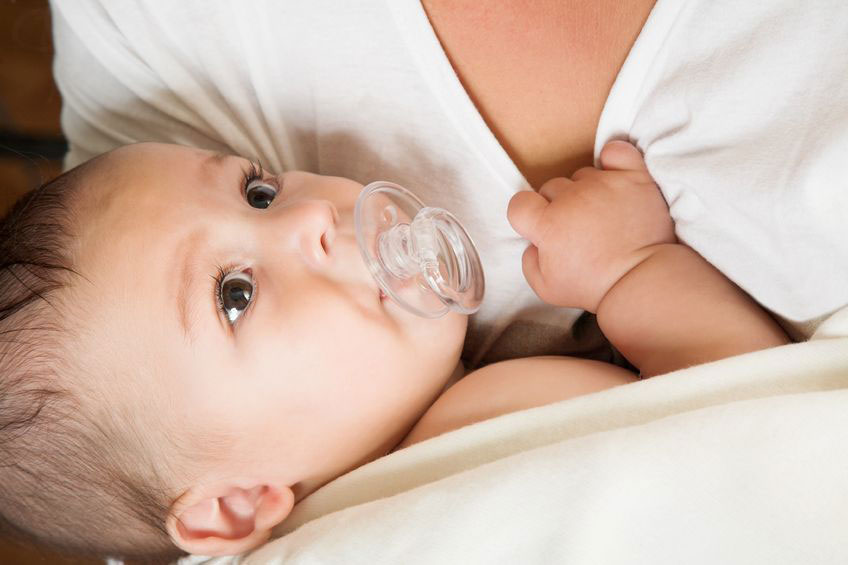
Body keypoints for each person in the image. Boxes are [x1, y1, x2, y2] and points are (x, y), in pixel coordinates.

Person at [0, 137, 788, 559]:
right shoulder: (468, 437)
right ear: (236, 503)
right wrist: (630, 270)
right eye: (233, 293)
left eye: (258, 191)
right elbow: (751, 422)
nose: (306, 217)